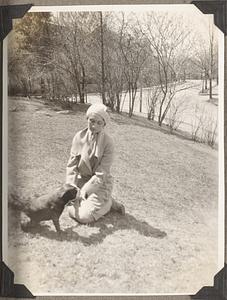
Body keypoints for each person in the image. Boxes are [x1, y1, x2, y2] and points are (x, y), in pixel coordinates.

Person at [66, 103, 125, 224]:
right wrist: (71, 188)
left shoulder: (108, 143)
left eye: (99, 123)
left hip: (100, 184)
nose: (94, 126)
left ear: (104, 124)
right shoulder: (78, 137)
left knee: (83, 217)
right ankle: (95, 202)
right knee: (66, 203)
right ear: (87, 119)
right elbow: (71, 166)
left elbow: (100, 175)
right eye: (92, 121)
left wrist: (84, 192)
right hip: (81, 181)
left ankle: (109, 203)